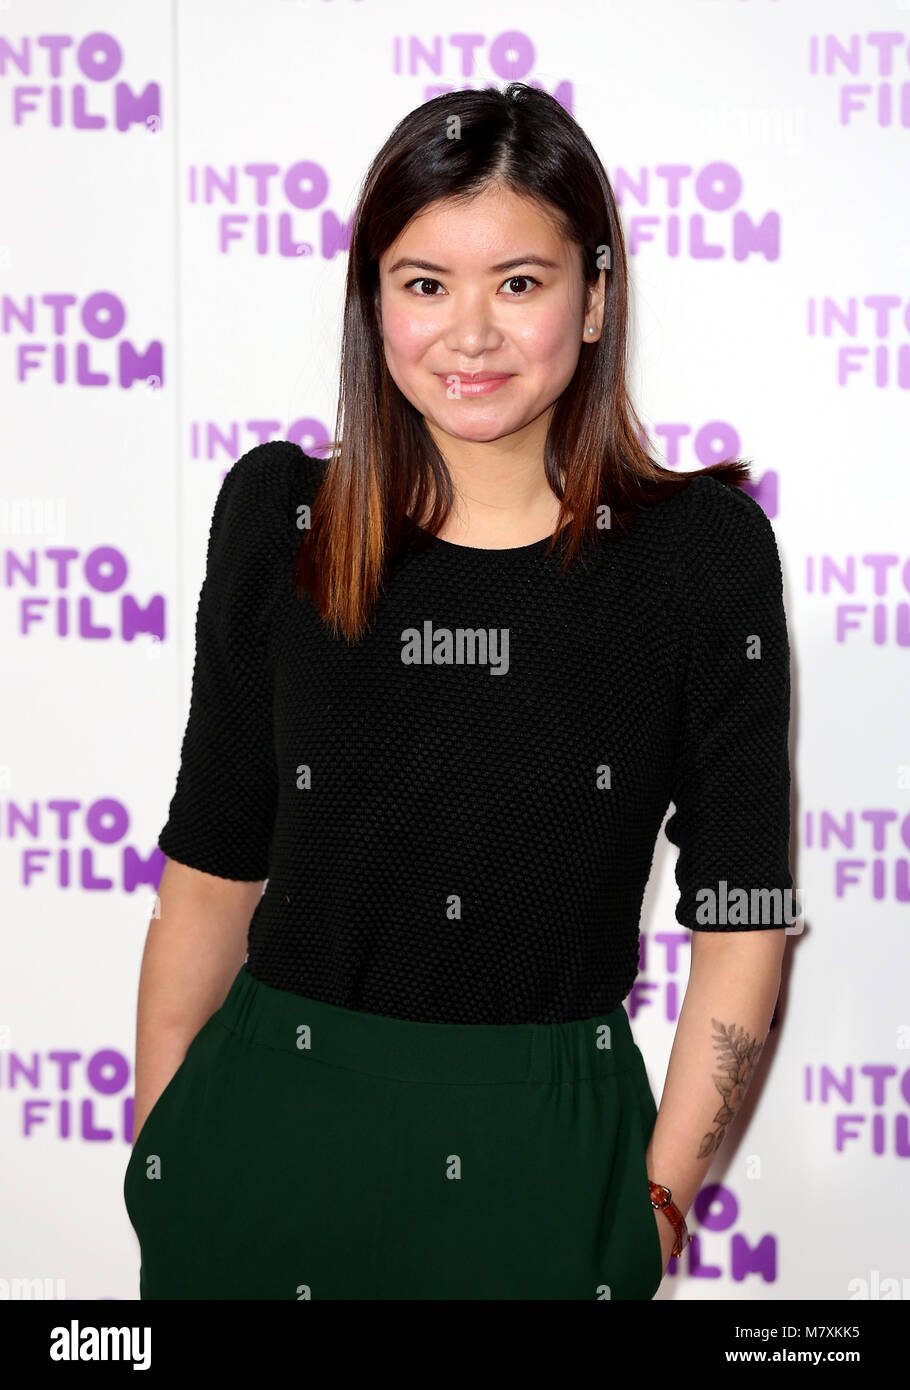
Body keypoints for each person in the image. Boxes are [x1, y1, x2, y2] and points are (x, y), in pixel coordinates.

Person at [123, 83, 795, 1300]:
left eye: (520, 283)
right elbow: (214, 865)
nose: (468, 333)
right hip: (265, 1133)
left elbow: (741, 914)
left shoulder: (698, 554)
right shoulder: (282, 519)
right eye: (423, 282)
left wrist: (654, 1208)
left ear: (594, 298)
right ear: (372, 301)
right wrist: (167, 1151)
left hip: (546, 1159)